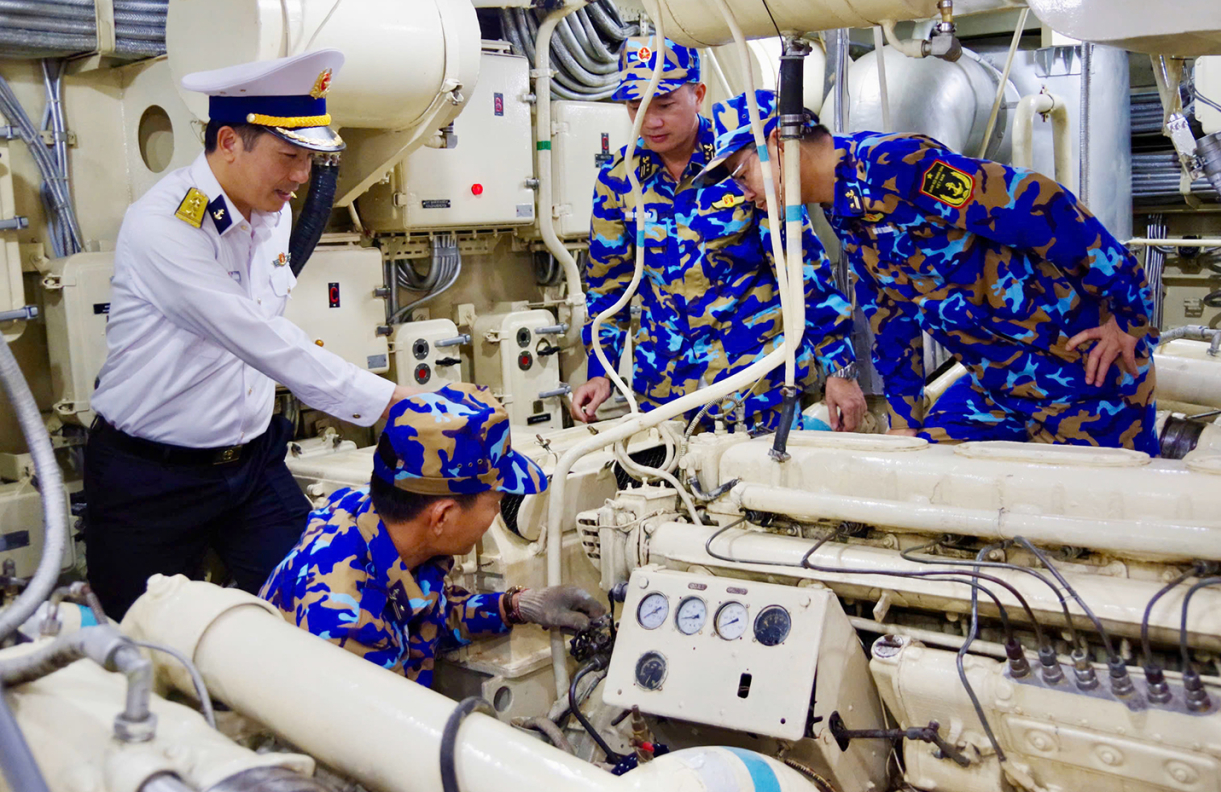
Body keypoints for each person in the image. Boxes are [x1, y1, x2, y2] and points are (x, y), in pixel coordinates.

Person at [86, 49, 420, 620]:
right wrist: (388, 400)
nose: (302, 176)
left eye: (309, 158)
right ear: (228, 142)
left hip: (251, 466)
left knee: (326, 608)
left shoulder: (275, 214)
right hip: (152, 479)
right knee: (143, 643)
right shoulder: (166, 226)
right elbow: (259, 337)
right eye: (289, 156)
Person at [699, 90, 1158, 454]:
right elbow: (890, 316)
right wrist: (904, 423)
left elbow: (1039, 203)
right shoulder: (842, 208)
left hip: (1084, 380)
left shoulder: (896, 166)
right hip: (996, 388)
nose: (745, 194)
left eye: (742, 176)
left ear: (778, 144)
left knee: (1104, 519)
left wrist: (1129, 316)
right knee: (925, 484)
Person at [572, 38, 864, 433]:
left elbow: (801, 267)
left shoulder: (741, 161)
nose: (650, 122)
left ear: (698, 95)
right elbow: (608, 287)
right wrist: (599, 371)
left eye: (664, 105)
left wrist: (839, 368)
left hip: (755, 386)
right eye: (636, 106)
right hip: (665, 394)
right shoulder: (619, 181)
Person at [260, 384, 605, 685]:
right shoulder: (349, 626)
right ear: (442, 516)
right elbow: (395, 737)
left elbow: (424, 616)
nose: (496, 513)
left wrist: (515, 606)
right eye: (497, 502)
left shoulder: (366, 512)